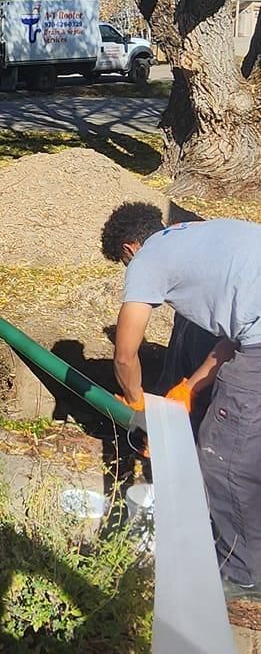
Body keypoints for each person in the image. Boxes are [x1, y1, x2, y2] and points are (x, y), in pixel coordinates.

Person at [101, 201, 261, 599]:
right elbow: (236, 335)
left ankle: (244, 573)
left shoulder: (147, 257)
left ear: (129, 249)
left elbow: (124, 353)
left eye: (124, 265)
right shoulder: (201, 236)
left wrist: (137, 404)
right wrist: (190, 387)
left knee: (224, 453)